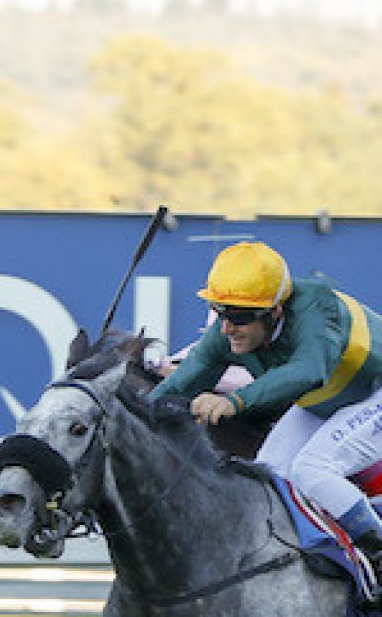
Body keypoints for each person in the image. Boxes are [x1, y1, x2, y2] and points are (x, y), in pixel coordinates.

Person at [151, 239, 382, 573]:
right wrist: (132, 416)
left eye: (239, 317)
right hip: (334, 400)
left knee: (311, 469)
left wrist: (234, 402)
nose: (227, 327)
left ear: (275, 311)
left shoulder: (318, 309)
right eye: (220, 313)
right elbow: (181, 381)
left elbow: (308, 371)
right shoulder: (227, 331)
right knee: (267, 475)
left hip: (370, 392)